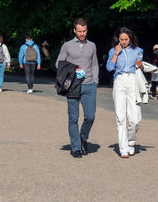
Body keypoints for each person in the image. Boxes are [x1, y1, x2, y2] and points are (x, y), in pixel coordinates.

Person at [55, 18, 99, 158]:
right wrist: (73, 69)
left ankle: (83, 138)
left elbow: (94, 64)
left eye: (84, 31)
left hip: (89, 84)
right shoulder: (67, 46)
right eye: (79, 31)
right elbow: (58, 64)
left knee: (90, 116)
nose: (82, 33)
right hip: (72, 86)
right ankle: (76, 147)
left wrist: (95, 81)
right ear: (74, 30)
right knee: (73, 118)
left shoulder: (92, 46)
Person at [106, 27, 144, 158]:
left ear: (130, 38)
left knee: (135, 119)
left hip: (133, 81)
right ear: (118, 39)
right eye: (121, 39)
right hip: (119, 81)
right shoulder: (113, 50)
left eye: (126, 39)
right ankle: (123, 148)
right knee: (120, 117)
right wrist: (116, 53)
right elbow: (109, 68)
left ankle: (131, 142)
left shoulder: (138, 50)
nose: (124, 42)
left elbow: (142, 67)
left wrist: (141, 65)